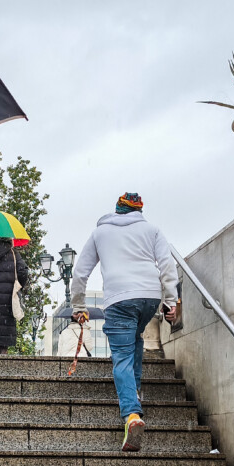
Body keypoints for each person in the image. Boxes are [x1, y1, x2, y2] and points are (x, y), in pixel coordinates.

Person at [70, 192, 178, 451]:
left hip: (119, 299)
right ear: (139, 211)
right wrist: (171, 301)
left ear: (117, 210)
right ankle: (135, 390)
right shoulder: (152, 230)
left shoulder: (101, 233)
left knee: (121, 355)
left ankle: (131, 413)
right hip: (149, 297)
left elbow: (80, 272)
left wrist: (78, 305)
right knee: (135, 339)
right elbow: (167, 264)